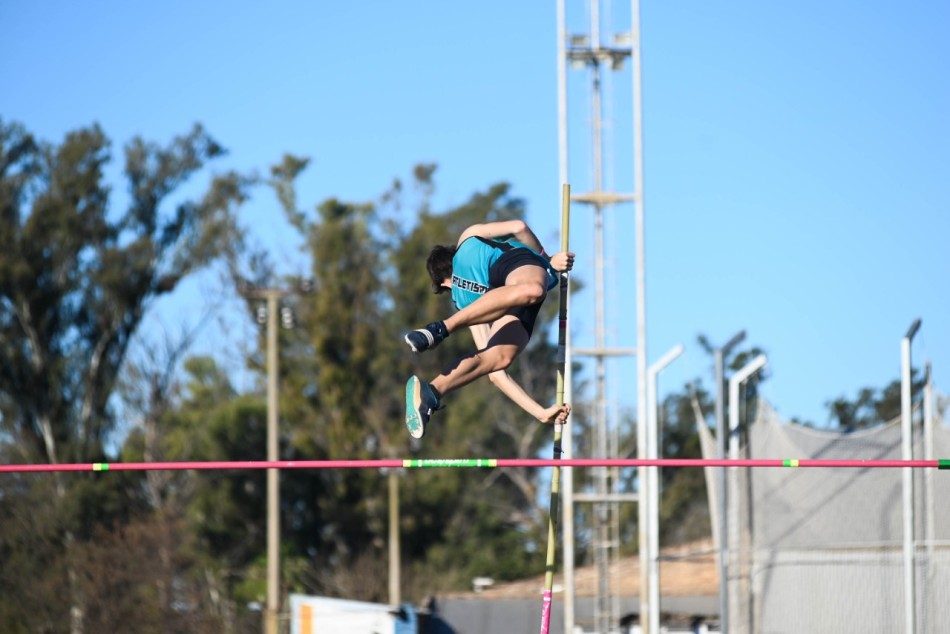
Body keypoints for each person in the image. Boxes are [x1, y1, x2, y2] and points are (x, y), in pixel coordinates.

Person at [403, 219, 575, 438]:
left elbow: (495, 372)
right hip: (519, 272)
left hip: (513, 289)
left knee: (498, 357)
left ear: (444, 284)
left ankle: (432, 381)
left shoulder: (465, 302)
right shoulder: (468, 237)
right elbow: (518, 227)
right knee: (529, 295)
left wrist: (540, 413)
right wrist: (548, 259)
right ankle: (433, 380)